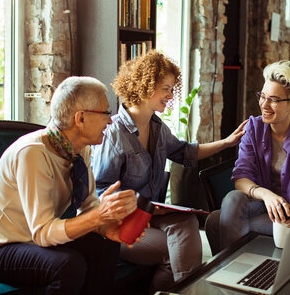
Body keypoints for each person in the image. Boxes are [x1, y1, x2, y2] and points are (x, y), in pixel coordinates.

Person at [0, 76, 140, 294]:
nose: (110, 121)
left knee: (106, 246)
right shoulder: (33, 154)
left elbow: (89, 205)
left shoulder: (80, 150)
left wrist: (106, 226)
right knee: (68, 265)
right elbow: (43, 232)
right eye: (106, 113)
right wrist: (98, 217)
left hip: (28, 241)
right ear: (80, 118)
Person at [91, 50, 247, 292]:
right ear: (145, 85)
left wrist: (227, 142)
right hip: (120, 224)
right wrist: (137, 204)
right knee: (178, 249)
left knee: (186, 221)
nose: (170, 95)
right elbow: (99, 194)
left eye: (172, 89)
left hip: (150, 216)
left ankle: (182, 291)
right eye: (166, 88)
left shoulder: (157, 128)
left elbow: (186, 152)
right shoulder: (114, 134)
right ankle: (192, 291)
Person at [205, 60, 290, 254]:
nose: (264, 105)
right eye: (262, 96)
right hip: (260, 205)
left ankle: (232, 272)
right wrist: (267, 195)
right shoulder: (253, 128)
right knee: (232, 199)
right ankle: (237, 270)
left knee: (216, 222)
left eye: (273, 99)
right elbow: (241, 178)